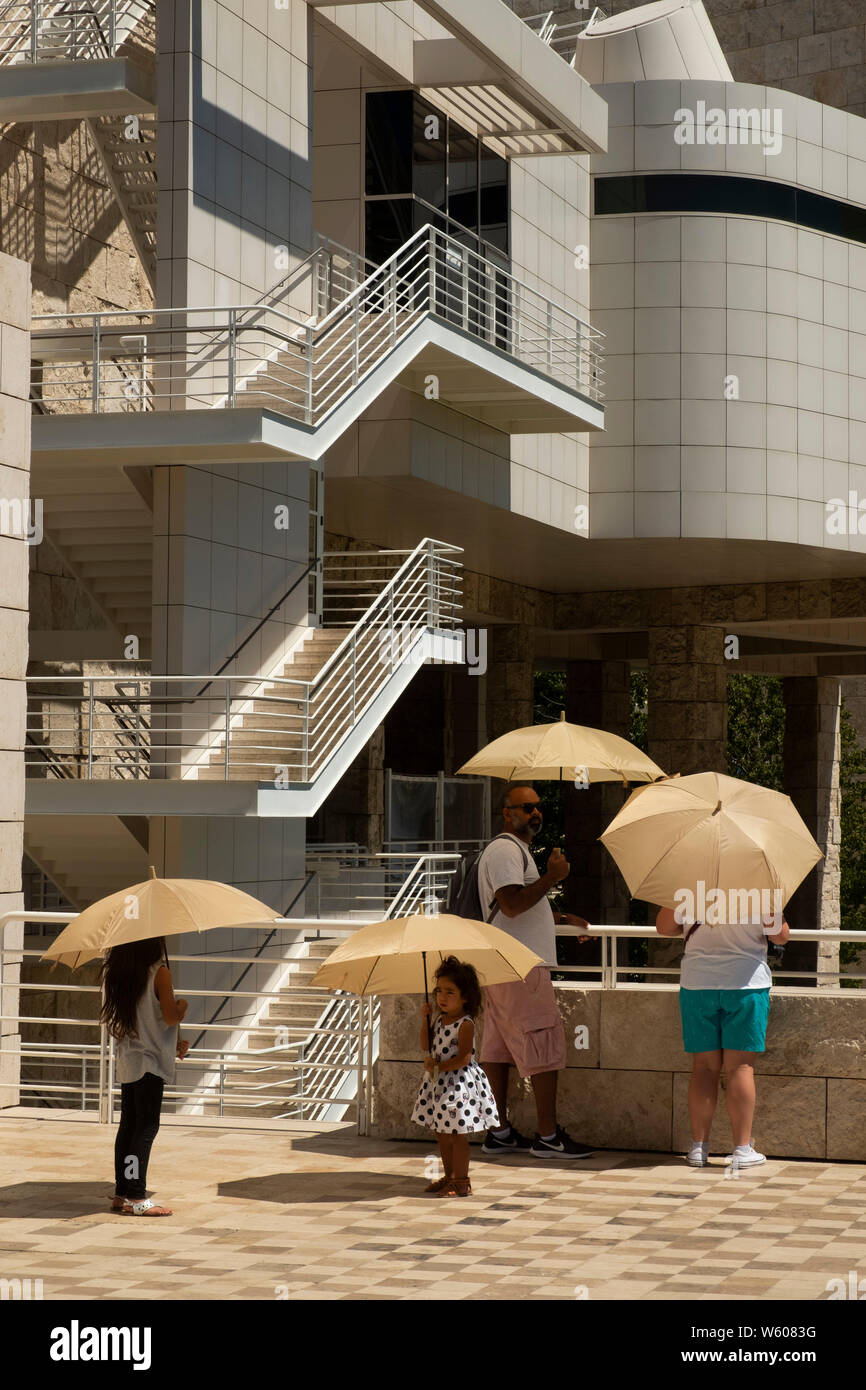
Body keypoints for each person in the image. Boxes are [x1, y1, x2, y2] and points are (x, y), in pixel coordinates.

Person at [477, 782, 595, 1159]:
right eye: (525, 807)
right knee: (543, 1044)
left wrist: (558, 916)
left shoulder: (515, 851)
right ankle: (548, 1137)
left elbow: (517, 906)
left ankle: (499, 1132)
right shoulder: (505, 851)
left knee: (496, 1050)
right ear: (506, 813)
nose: (534, 813)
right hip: (520, 965)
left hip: (504, 962)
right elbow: (510, 905)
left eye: (537, 806)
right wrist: (552, 878)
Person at [656, 900, 790, 1168]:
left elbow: (663, 927)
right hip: (746, 983)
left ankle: (698, 1148)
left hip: (697, 983)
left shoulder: (687, 882)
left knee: (703, 1067)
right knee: (740, 1067)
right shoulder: (759, 886)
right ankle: (741, 1149)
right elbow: (780, 936)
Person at [99, 937, 189, 1216]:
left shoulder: (119, 973)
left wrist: (174, 1040)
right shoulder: (160, 972)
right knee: (146, 1128)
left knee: (129, 1125)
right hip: (150, 1060)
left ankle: (122, 1192)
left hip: (129, 1058)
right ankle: (137, 1197)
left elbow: (144, 1016)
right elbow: (171, 1016)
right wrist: (182, 1005)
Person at [411, 957, 499, 1197]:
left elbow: (464, 1058)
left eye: (450, 992)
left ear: (465, 997)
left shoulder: (465, 1024)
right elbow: (425, 1043)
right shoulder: (439, 1019)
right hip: (438, 1083)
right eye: (439, 991)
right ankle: (450, 1176)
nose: (442, 997)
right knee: (441, 1131)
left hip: (458, 1084)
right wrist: (424, 1018)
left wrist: (439, 1065)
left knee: (458, 1133)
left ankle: (462, 1180)